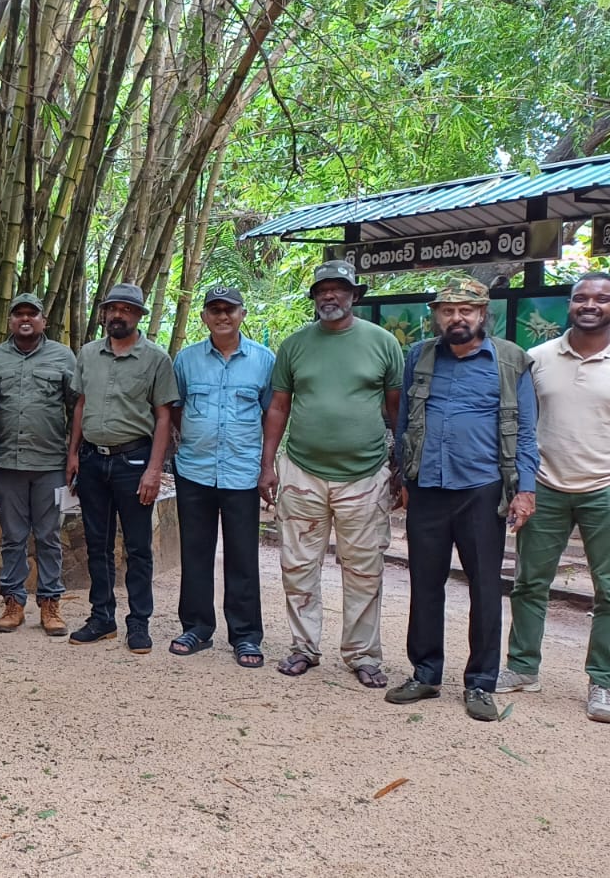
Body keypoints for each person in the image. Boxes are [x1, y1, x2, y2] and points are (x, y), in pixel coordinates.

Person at [385, 278, 537, 721]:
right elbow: (407, 422)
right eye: (448, 310)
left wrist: (524, 490)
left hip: (482, 490)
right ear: (436, 315)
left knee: (486, 588)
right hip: (428, 488)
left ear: (483, 313)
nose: (457, 318)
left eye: (466, 310)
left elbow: (526, 431)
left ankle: (480, 683)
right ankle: (426, 673)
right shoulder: (421, 355)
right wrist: (404, 475)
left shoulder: (509, 361)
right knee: (425, 584)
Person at [259, 260, 404, 688]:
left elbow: (396, 409)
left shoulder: (382, 343)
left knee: (364, 568)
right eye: (323, 289)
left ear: (354, 295)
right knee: (298, 564)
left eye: (339, 289)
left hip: (365, 475)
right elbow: (279, 407)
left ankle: (362, 654)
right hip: (302, 471)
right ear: (314, 297)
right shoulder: (295, 345)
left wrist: (400, 466)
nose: (330, 295)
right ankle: (304, 647)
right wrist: (268, 465)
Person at [497, 273, 610, 723]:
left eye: (601, 299)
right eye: (581, 297)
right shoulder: (539, 358)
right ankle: (523, 668)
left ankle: (602, 680)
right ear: (568, 304)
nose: (590, 305)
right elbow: (522, 424)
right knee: (529, 583)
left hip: (604, 487)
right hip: (543, 485)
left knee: (609, 589)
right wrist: (521, 483)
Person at [65, 283, 179, 654]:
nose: (118, 315)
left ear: (138, 316)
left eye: (126, 310)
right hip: (94, 461)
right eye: (113, 308)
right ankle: (101, 618)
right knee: (97, 544)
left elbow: (164, 418)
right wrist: (74, 453)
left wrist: (153, 469)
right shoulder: (87, 354)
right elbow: (81, 404)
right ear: (104, 313)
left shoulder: (156, 359)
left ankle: (139, 622)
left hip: (134, 461)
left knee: (137, 547)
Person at [169, 286, 274, 668]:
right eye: (214, 310)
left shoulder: (264, 361)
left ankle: (245, 635)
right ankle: (196, 628)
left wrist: (267, 466)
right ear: (204, 317)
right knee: (195, 553)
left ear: (242, 314)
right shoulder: (186, 359)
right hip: (195, 469)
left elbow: (272, 415)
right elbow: (177, 409)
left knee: (242, 556)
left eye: (229, 309)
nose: (222, 316)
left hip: (242, 472)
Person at [0, 292, 77, 636]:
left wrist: (74, 454)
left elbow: (75, 407)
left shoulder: (63, 356)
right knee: (12, 536)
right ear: (10, 320)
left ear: (44, 321)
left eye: (32, 314)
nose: (25, 319)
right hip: (7, 462)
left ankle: (51, 603)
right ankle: (14, 602)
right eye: (18, 314)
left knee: (49, 535)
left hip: (51, 462)